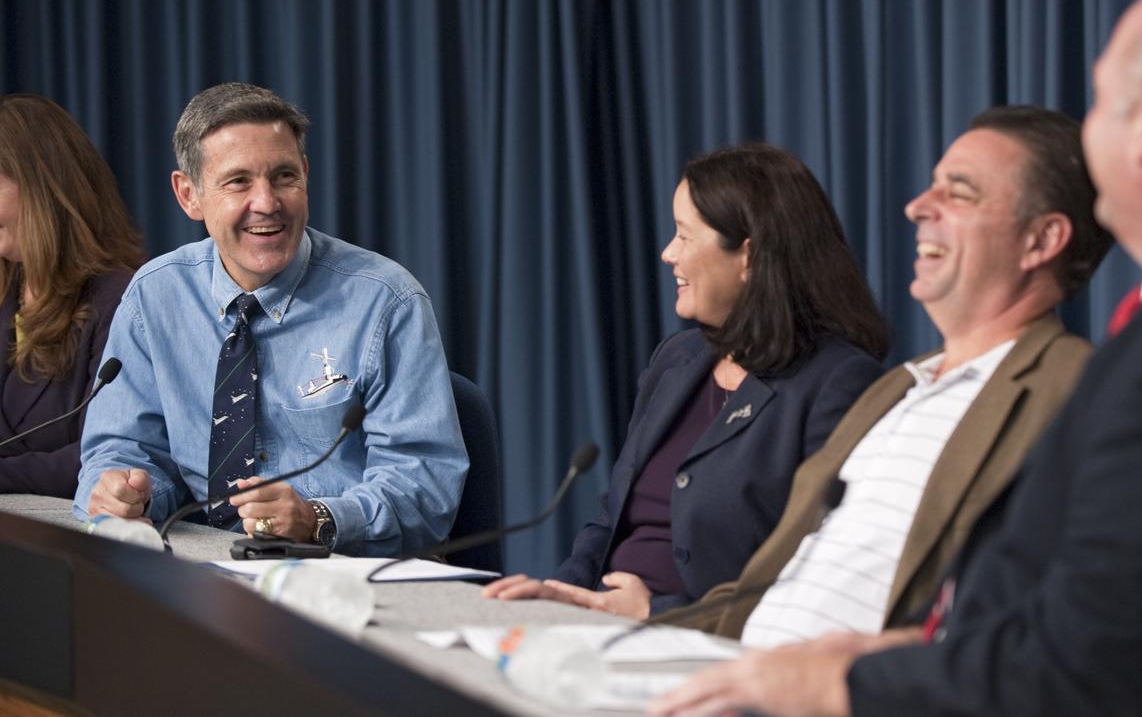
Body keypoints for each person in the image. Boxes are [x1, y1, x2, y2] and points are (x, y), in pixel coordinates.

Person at [653, 0, 1142, 717]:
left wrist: (852, 682)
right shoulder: (896, 387)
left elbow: (1113, 651)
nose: (918, 207)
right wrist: (629, 630)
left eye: (1103, 101)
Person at [669, 106, 1110, 649]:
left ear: (1041, 241)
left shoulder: (1079, 389)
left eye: (960, 193)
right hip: (725, 670)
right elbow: (760, 587)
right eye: (931, 187)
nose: (917, 206)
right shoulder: (895, 389)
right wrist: (612, 635)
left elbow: (1046, 624)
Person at [485, 143, 890, 617]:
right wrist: (557, 597)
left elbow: (817, 578)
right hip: (599, 630)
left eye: (684, 236)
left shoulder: (839, 382)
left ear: (749, 256)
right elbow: (611, 516)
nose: (667, 253)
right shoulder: (677, 359)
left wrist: (658, 614)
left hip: (711, 651)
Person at [74, 82, 467, 556]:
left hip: (344, 578)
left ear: (305, 174)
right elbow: (122, 449)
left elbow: (425, 482)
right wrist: (123, 490)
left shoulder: (386, 301)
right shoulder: (155, 296)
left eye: (283, 176)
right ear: (189, 195)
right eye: (238, 181)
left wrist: (317, 518)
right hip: (201, 570)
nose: (266, 202)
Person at [0, 94, 144, 496]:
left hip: (69, 541)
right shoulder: (7, 292)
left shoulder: (123, 300)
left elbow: (104, 457)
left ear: (43, 187)